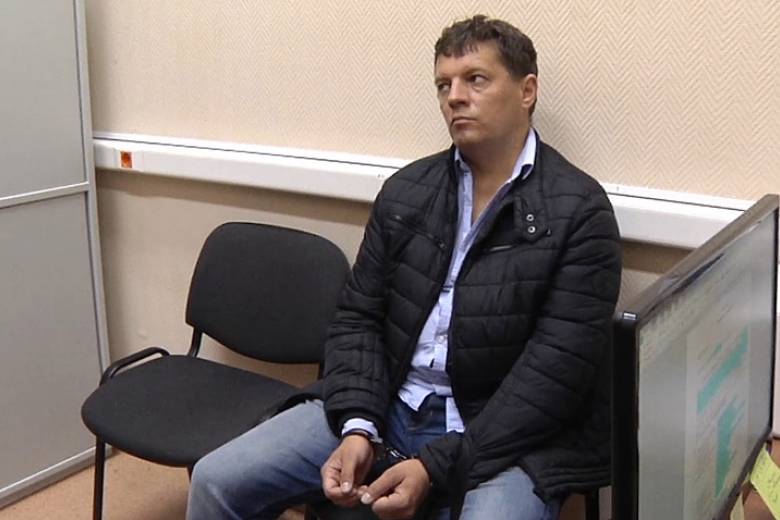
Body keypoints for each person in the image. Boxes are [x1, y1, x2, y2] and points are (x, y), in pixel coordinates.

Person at [187, 14, 621, 520]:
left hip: (498, 437)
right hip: (388, 403)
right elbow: (358, 318)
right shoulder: (407, 192)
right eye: (444, 85)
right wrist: (357, 424)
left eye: (475, 79)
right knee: (216, 480)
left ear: (527, 91)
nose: (455, 97)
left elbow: (553, 378)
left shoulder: (580, 212)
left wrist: (434, 466)